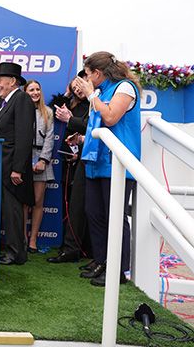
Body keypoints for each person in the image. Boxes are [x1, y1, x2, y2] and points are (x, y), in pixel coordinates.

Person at [74, 51, 141, 287]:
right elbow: (98, 126)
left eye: (89, 74)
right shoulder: (100, 92)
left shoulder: (125, 88)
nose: (87, 78)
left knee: (115, 216)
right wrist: (81, 140)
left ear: (98, 73)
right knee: (94, 213)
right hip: (96, 161)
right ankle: (101, 261)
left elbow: (111, 117)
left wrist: (92, 95)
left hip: (118, 163)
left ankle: (119, 269)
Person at [0, 63, 35, 266]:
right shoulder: (5, 103)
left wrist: (18, 168)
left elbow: (24, 136)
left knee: (13, 212)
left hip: (11, 168)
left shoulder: (21, 98)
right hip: (1, 165)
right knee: (7, 212)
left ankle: (16, 253)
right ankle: (11, 249)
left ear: (12, 81)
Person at [47, 72, 92, 264]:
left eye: (80, 85)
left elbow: (90, 129)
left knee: (87, 207)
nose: (78, 90)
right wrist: (66, 94)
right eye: (74, 88)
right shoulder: (71, 104)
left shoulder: (94, 105)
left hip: (85, 157)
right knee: (73, 205)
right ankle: (72, 246)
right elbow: (50, 110)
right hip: (70, 161)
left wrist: (79, 146)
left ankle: (83, 248)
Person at [23, 80, 54, 253]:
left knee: (37, 201)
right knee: (23, 203)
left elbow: (50, 138)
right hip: (23, 158)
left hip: (42, 157)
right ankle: (22, 237)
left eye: (37, 89)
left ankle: (33, 240)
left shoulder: (48, 112)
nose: (35, 92)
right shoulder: (20, 110)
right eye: (31, 90)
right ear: (25, 92)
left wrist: (43, 160)